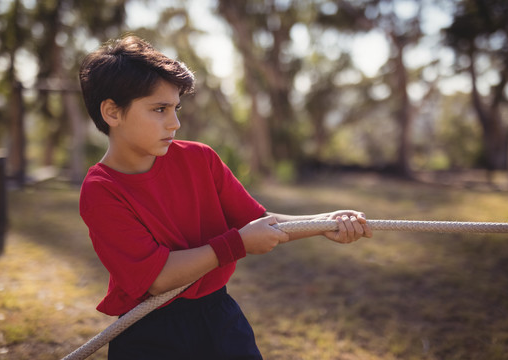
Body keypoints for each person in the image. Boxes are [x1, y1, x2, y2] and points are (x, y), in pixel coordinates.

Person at [78, 34, 372, 360]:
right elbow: (158, 279)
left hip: (219, 317)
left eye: (176, 108)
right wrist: (238, 244)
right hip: (149, 331)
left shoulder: (199, 159)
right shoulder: (101, 190)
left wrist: (324, 222)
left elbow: (258, 223)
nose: (174, 123)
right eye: (159, 109)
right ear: (112, 113)